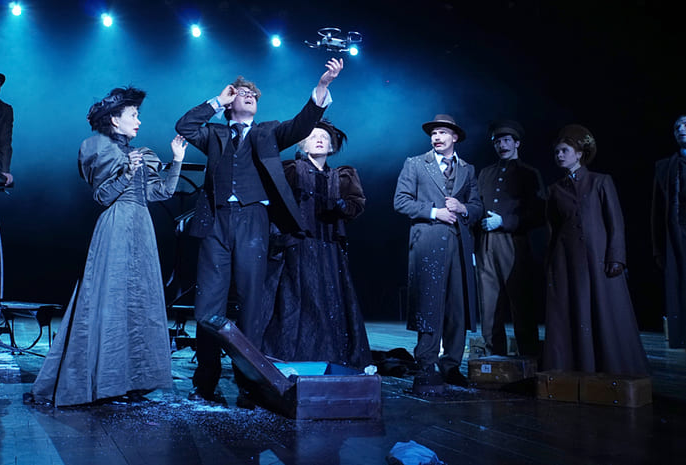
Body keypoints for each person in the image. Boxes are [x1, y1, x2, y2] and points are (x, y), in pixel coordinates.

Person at [175, 58, 344, 404]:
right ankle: (205, 381)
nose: (250, 95)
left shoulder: (268, 132)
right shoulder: (215, 133)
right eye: (242, 92)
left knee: (251, 303)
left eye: (254, 93)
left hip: (253, 221)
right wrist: (216, 101)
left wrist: (323, 86)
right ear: (230, 100)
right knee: (208, 305)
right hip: (216, 222)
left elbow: (302, 124)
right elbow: (185, 126)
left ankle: (249, 383)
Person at [29, 87, 187, 406]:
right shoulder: (99, 148)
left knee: (139, 302)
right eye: (133, 115)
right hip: (116, 227)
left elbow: (160, 193)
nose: (139, 121)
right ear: (115, 120)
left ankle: (133, 380)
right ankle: (103, 381)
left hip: (141, 229)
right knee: (110, 300)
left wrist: (177, 161)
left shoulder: (142, 153)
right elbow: (102, 197)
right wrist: (127, 172)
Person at [261, 120, 371, 369]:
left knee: (331, 302)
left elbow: (357, 204)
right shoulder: (291, 170)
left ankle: (331, 356)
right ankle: (292, 356)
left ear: (332, 146)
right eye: (312, 136)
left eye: (324, 137)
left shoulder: (342, 176)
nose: (319, 140)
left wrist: (342, 206)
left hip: (329, 249)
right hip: (298, 246)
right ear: (302, 144)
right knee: (297, 302)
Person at [544, 125, 648, 375]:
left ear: (579, 153)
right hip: (567, 260)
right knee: (573, 310)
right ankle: (575, 367)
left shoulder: (600, 181)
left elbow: (616, 222)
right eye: (556, 152)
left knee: (605, 311)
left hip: (598, 257)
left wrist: (616, 257)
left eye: (564, 150)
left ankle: (612, 367)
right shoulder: (555, 189)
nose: (559, 155)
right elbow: (553, 228)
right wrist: (552, 264)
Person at [393, 114, 483, 392]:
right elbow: (401, 201)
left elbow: (477, 207)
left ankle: (451, 365)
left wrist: (463, 208)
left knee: (457, 306)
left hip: (458, 244)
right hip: (428, 242)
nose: (437, 137)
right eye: (434, 133)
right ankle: (426, 362)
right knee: (429, 304)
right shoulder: (415, 164)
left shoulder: (467, 169)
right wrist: (435, 212)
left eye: (443, 132)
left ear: (454, 137)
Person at [475, 120, 544, 357]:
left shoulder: (529, 173)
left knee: (521, 304)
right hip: (486, 245)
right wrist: (475, 247)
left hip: (513, 243)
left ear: (517, 143)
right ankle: (494, 360)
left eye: (506, 140)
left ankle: (528, 359)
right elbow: (477, 208)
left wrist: (505, 221)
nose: (502, 145)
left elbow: (539, 214)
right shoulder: (486, 173)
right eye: (497, 141)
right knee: (489, 305)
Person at [652, 115, 686, 349]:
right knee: (679, 286)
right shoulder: (664, 167)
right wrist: (658, 248)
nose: (681, 128)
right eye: (677, 126)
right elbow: (656, 211)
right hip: (676, 234)